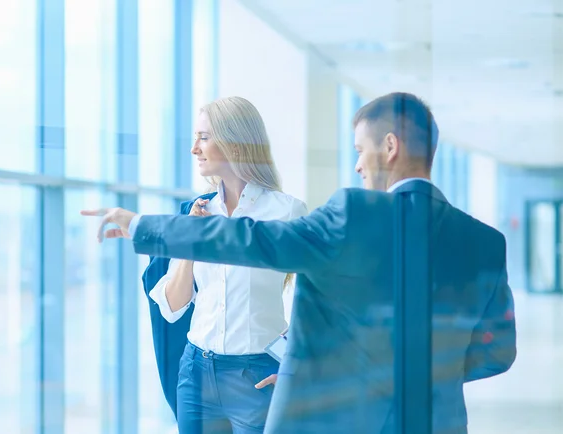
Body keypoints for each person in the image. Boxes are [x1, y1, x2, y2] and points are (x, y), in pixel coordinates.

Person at [82, 92, 517, 434]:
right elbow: (498, 351)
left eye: (360, 149)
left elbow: (255, 239)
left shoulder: (353, 214)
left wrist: (141, 225)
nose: (357, 164)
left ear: (390, 146)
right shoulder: (485, 243)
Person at [142, 96, 307, 433]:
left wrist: (295, 363)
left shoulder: (287, 213)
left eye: (203, 137)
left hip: (257, 375)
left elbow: (320, 299)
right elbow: (172, 307)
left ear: (235, 141)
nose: (194, 149)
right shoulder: (197, 212)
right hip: (196, 373)